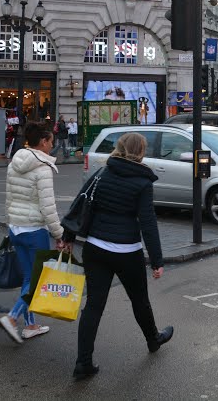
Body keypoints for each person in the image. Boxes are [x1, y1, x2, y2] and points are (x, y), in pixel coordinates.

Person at [72, 132, 172, 380]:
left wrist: (67, 236)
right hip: (127, 251)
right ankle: (153, 340)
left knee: (94, 305)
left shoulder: (102, 172)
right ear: (141, 152)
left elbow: (81, 203)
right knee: (139, 300)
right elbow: (147, 222)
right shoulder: (143, 182)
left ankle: (83, 363)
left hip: (95, 248)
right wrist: (157, 261)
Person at [0, 121, 67, 343]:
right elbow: (48, 207)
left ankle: (31, 325)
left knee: (29, 278)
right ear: (44, 141)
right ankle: (12, 317)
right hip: (35, 229)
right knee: (38, 280)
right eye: (51, 142)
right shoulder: (42, 168)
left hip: (16, 227)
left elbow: (9, 197)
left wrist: (10, 222)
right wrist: (59, 234)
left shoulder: (15, 162)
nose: (52, 146)